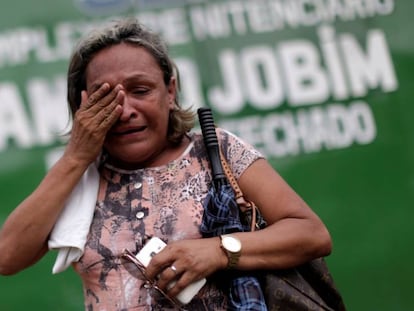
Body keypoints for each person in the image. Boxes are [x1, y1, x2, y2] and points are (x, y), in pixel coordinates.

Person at [0, 18, 332, 310]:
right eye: (106, 97)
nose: (126, 110)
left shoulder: (215, 150)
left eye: (140, 90)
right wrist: (75, 157)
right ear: (82, 104)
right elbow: (7, 256)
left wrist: (218, 251)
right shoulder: (77, 176)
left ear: (170, 91)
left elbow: (311, 234)